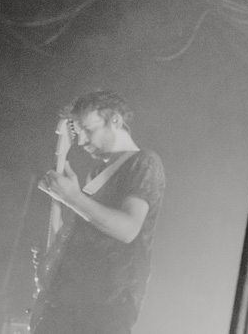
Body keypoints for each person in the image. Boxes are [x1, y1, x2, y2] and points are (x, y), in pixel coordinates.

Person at [31, 90, 165, 334]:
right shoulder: (96, 173)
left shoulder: (144, 162)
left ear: (114, 119)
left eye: (88, 129)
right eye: (78, 132)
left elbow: (127, 229)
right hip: (70, 302)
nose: (81, 141)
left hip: (106, 307)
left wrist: (72, 198)